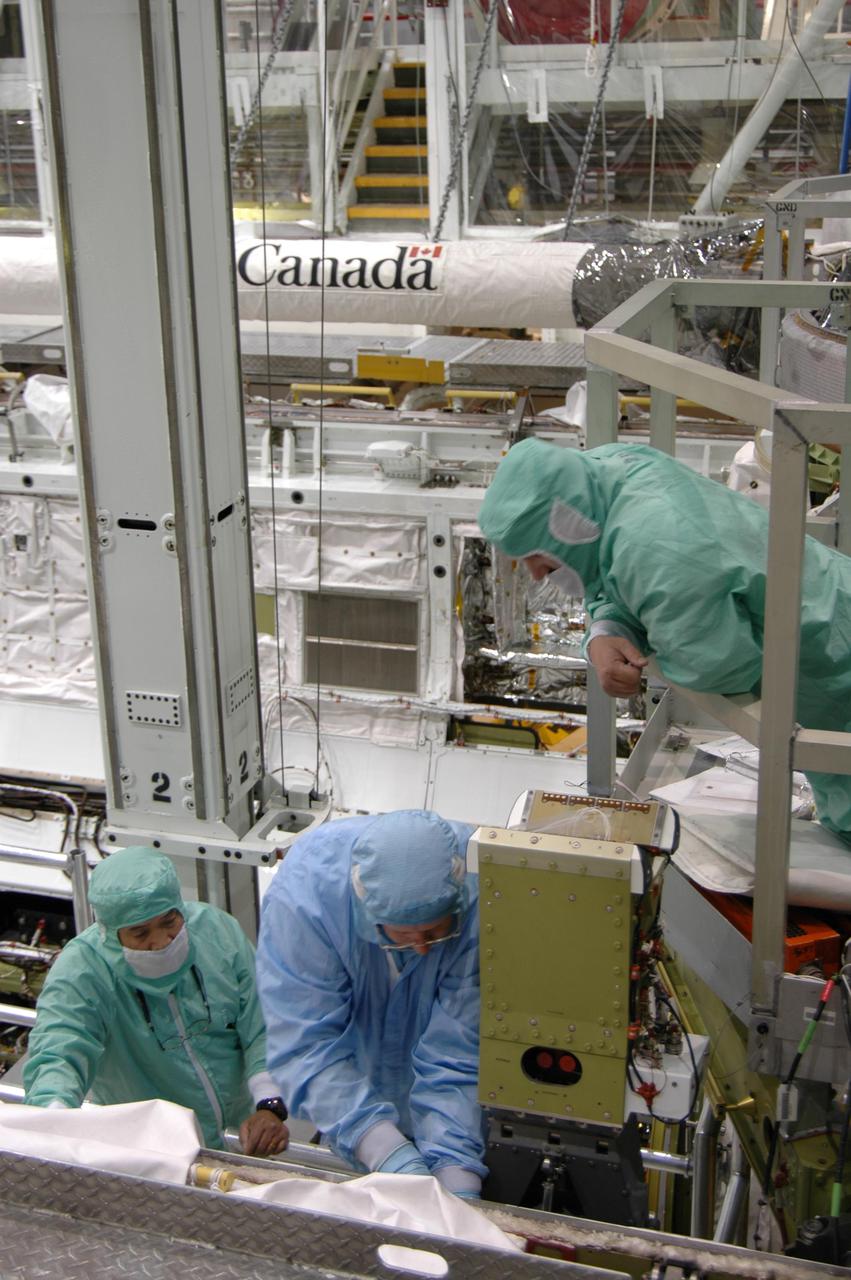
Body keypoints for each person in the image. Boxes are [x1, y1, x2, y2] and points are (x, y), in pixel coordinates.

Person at [478, 437, 851, 846]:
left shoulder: (653, 547)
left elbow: (715, 663)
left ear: (565, 524)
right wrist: (606, 633)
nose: (534, 574)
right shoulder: (612, 471)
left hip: (831, 674)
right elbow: (612, 571)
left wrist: (645, 646)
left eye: (535, 555)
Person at [256, 809, 487, 1197]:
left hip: (462, 1112)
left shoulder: (482, 888)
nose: (420, 947)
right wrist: (387, 1152)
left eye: (434, 932)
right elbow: (307, 1047)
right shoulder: (306, 897)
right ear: (365, 904)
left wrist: (458, 1173)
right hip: (352, 1100)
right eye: (404, 934)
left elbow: (459, 1053)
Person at [24, 845, 289, 1156]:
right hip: (150, 1151)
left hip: (240, 1134)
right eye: (140, 933)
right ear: (110, 933)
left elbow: (262, 1023)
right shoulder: (84, 971)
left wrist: (269, 1103)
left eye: (170, 921)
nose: (161, 942)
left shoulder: (217, 932)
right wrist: (52, 1127)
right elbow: (59, 1051)